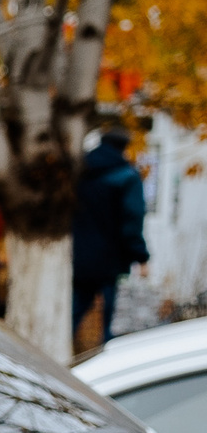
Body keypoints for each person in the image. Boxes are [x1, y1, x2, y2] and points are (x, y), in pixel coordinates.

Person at [73, 126, 151, 346]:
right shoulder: (126, 176)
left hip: (79, 256)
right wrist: (142, 257)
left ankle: (56, 357)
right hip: (111, 261)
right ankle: (108, 369)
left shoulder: (79, 171)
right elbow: (131, 222)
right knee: (112, 323)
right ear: (124, 147)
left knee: (73, 312)